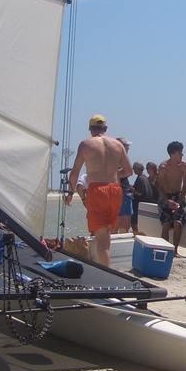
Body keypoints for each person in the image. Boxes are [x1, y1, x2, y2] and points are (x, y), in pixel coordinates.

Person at [63, 114, 128, 267]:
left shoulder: (86, 145)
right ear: (105, 129)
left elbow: (75, 172)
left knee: (102, 240)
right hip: (115, 190)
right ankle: (107, 268)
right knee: (108, 235)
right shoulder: (118, 145)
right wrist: (114, 174)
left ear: (91, 129)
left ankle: (107, 276)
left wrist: (70, 192)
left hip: (97, 190)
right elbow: (128, 170)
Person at [156, 141, 186, 250]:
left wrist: (179, 201)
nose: (182, 155)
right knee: (166, 224)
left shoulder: (184, 167)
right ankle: (165, 249)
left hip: (178, 196)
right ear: (173, 154)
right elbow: (159, 185)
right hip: (165, 196)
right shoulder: (163, 167)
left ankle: (175, 250)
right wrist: (167, 201)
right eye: (180, 153)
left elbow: (185, 186)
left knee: (178, 222)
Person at [115, 138, 134, 235]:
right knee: (121, 224)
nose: (128, 148)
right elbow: (117, 174)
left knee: (125, 225)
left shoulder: (119, 159)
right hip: (121, 195)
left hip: (125, 193)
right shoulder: (118, 159)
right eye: (126, 146)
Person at [130, 160, 153, 232]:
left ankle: (136, 234)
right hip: (143, 204)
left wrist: (132, 190)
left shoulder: (140, 178)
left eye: (134, 168)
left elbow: (139, 193)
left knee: (134, 223)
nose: (133, 170)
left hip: (138, 204)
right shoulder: (144, 177)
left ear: (137, 169)